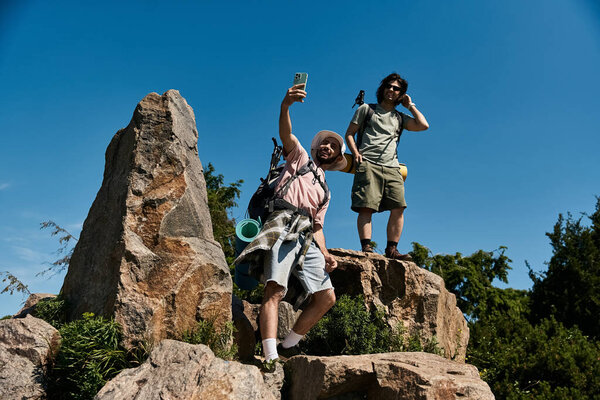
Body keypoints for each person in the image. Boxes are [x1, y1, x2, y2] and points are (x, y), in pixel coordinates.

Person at [235, 83, 347, 362]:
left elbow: (318, 226)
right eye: (325, 142)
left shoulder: (326, 190)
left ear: (335, 157)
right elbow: (286, 133)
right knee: (275, 288)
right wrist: (285, 105)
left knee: (327, 298)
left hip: (307, 235)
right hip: (283, 222)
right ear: (316, 146)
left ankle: (289, 345)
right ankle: (270, 355)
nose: (328, 146)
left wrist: (325, 254)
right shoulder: (299, 157)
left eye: (333, 146)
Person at [345, 73, 429, 260]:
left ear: (401, 94)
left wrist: (410, 105)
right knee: (366, 207)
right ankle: (366, 247)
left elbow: (424, 125)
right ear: (382, 88)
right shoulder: (367, 109)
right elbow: (349, 134)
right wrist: (356, 153)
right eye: (389, 86)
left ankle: (392, 250)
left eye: (396, 88)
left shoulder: (400, 117)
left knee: (399, 207)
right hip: (368, 163)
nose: (391, 90)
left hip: (392, 166)